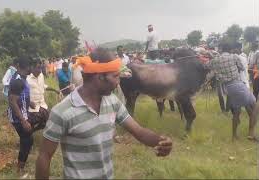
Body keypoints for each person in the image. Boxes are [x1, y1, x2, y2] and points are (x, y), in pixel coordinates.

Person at [36, 48, 172, 179]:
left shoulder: (112, 102)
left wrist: (159, 141)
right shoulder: (62, 112)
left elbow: (138, 131)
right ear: (100, 77)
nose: (119, 82)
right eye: (116, 76)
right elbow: (44, 156)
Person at [208, 42, 257, 141]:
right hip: (238, 84)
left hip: (228, 88)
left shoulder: (215, 60)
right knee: (255, 108)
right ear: (230, 50)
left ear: (221, 49)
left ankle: (234, 135)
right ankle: (251, 134)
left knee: (237, 112)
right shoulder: (234, 57)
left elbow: (207, 66)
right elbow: (242, 68)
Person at [27, 59, 60, 132]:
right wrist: (29, 102)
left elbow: (43, 86)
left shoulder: (41, 75)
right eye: (38, 68)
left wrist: (54, 90)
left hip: (42, 105)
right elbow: (20, 94)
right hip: (32, 108)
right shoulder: (27, 78)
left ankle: (33, 131)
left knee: (46, 122)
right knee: (30, 124)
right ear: (32, 67)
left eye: (41, 68)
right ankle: (29, 133)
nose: (40, 70)